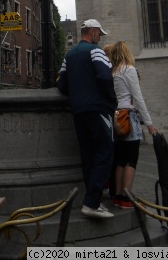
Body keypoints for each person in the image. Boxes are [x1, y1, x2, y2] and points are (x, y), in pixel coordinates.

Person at [57, 19, 117, 219]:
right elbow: (105, 77)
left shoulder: (69, 55)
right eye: (99, 34)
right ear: (92, 32)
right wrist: (111, 101)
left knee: (88, 156)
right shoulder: (96, 51)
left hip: (78, 110)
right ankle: (92, 202)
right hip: (99, 109)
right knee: (105, 153)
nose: (100, 38)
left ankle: (93, 200)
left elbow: (62, 85)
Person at [108, 40, 158, 209]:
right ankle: (127, 197)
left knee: (121, 160)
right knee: (131, 160)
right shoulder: (128, 70)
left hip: (117, 117)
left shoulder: (113, 72)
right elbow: (138, 97)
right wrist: (149, 123)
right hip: (128, 117)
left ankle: (118, 196)